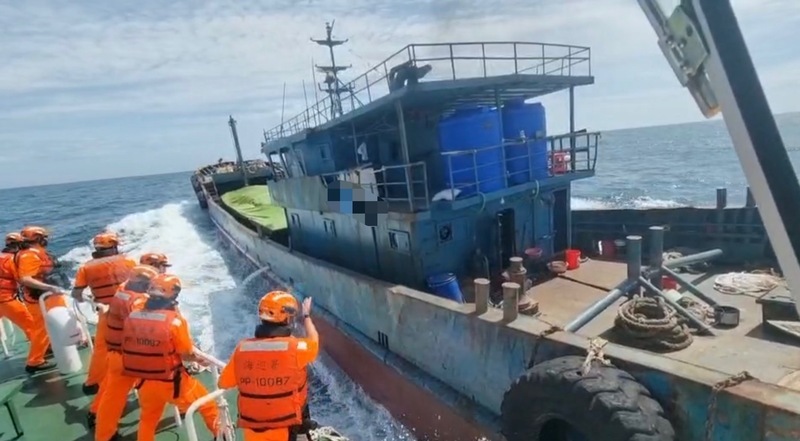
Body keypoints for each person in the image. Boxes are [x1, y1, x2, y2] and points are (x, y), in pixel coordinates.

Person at [121, 273, 219, 441]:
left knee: (148, 419)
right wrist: (197, 359)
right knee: (208, 405)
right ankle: (220, 436)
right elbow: (186, 353)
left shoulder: (133, 315)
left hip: (144, 382)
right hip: (172, 383)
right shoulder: (174, 322)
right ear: (172, 295)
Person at [218, 291, 319, 441]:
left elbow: (223, 383)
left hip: (252, 428)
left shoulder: (242, 348)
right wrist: (306, 317)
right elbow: (314, 342)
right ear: (286, 318)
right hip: (285, 426)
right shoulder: (296, 348)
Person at [91, 264, 157, 440]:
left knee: (112, 398)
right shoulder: (138, 301)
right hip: (131, 359)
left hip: (115, 355)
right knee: (174, 386)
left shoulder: (121, 293)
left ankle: (103, 434)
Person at [72, 232, 137, 395]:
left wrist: (85, 298)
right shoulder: (128, 261)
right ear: (114, 246)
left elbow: (77, 293)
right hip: (130, 311)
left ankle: (93, 382)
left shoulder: (85, 267)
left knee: (101, 348)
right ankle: (139, 379)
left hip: (106, 312)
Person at [15, 225, 68, 373]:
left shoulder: (36, 253)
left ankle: (76, 340)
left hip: (48, 296)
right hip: (40, 298)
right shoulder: (29, 256)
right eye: (44, 237)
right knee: (42, 329)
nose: (46, 240)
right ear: (38, 238)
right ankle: (34, 361)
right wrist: (49, 288)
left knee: (62, 319)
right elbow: (26, 278)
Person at [0, 233, 52, 371]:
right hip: (5, 300)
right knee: (33, 327)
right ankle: (38, 357)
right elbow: (22, 279)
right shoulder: (12, 260)